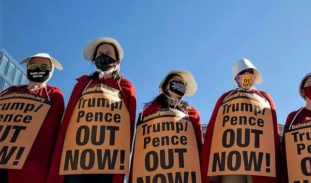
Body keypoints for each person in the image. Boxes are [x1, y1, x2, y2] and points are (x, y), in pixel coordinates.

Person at [48, 37, 137, 183]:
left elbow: (129, 124)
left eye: (108, 52)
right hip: (76, 158)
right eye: (100, 53)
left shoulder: (126, 86)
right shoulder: (83, 84)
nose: (103, 55)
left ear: (117, 61)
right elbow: (69, 119)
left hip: (107, 161)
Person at [201, 58, 280, 183]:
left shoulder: (265, 97)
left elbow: (273, 131)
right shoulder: (225, 97)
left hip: (259, 162)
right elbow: (214, 130)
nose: (246, 75)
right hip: (230, 162)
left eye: (249, 72)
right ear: (236, 78)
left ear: (254, 76)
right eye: (242, 73)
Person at [0, 53, 64, 183]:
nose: (38, 69)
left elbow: (53, 131)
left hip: (29, 165)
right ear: (27, 68)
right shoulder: (10, 91)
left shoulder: (54, 94)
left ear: (51, 72)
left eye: (44, 66)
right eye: (34, 65)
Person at [130, 70, 203, 183]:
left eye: (181, 83)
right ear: (165, 87)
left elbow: (199, 146)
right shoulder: (148, 112)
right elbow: (139, 148)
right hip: (156, 172)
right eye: (175, 81)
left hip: (183, 174)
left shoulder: (192, 113)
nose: (178, 84)